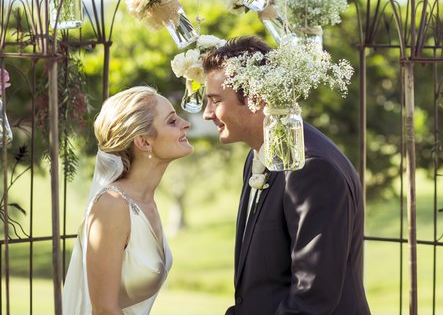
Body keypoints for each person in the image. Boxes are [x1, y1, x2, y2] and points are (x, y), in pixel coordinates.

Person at [202, 36, 371, 315]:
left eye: (215, 100)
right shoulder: (257, 156)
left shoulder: (311, 166)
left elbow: (313, 296)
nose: (208, 114)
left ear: (255, 97)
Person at [62, 86, 193, 314]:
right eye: (172, 121)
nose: (186, 124)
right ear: (143, 142)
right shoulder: (111, 206)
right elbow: (104, 309)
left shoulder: (146, 201)